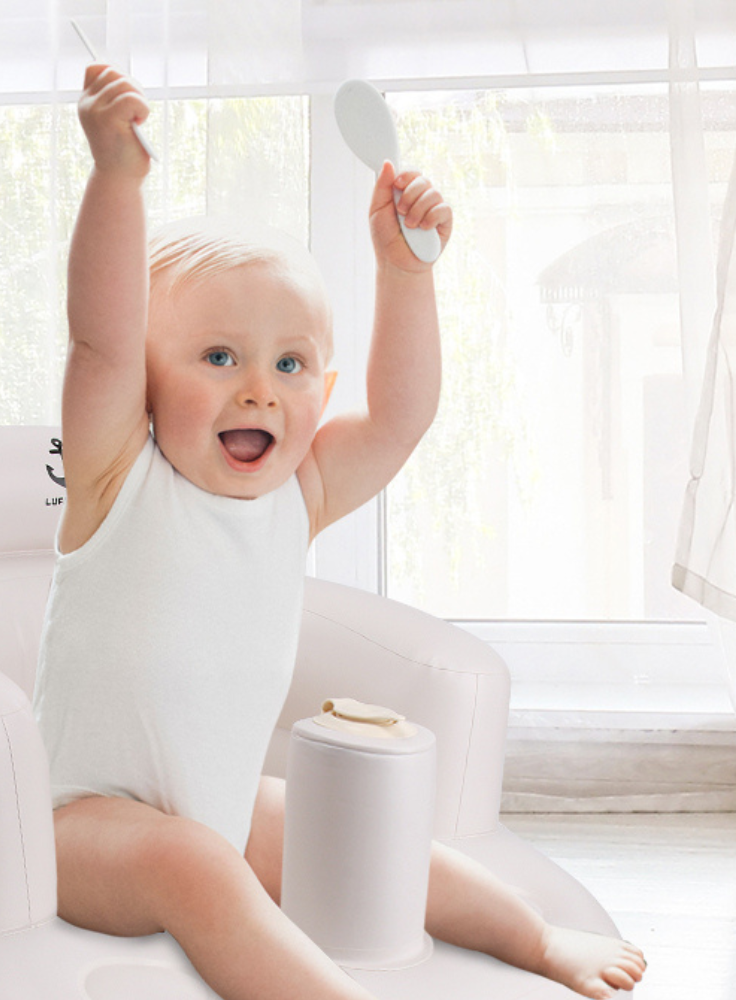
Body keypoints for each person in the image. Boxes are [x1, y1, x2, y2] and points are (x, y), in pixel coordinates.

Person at [32, 63, 646, 1000]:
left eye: (289, 365)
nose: (258, 390)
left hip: (217, 814)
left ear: (320, 392)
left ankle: (532, 937)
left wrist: (405, 274)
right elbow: (101, 341)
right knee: (193, 865)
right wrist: (116, 179)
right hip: (82, 828)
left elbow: (398, 419)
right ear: (146, 383)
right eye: (219, 357)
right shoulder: (117, 476)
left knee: (353, 827)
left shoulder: (296, 497)